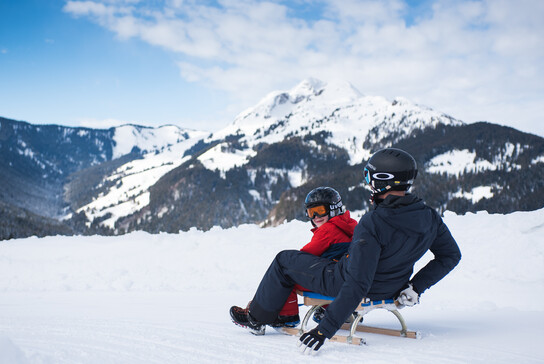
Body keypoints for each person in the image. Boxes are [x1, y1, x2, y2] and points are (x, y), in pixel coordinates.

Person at [230, 148, 461, 354]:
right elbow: (451, 255)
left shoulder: (373, 222)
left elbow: (357, 282)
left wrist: (323, 331)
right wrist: (415, 286)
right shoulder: (429, 216)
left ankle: (257, 318)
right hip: (393, 287)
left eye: (369, 176)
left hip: (342, 280)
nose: (368, 182)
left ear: (383, 180)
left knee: (284, 260)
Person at [232, 187, 358, 331]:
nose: (315, 216)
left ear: (334, 208)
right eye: (311, 212)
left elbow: (303, 259)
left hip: (335, 280)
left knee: (286, 270)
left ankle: (262, 316)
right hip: (346, 277)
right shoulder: (350, 225)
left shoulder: (328, 230)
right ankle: (330, 310)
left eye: (320, 210)